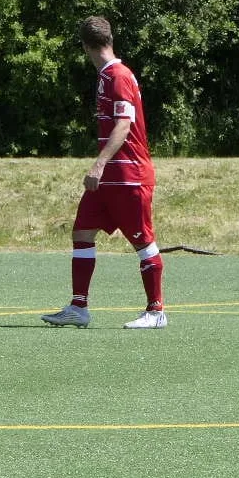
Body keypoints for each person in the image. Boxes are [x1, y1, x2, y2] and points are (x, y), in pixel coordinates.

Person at [41, 17, 166, 329]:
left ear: (85, 47)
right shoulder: (106, 76)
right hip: (109, 179)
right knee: (82, 232)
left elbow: (123, 126)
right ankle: (78, 307)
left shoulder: (118, 75)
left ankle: (156, 311)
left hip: (128, 176)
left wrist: (98, 164)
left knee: (143, 241)